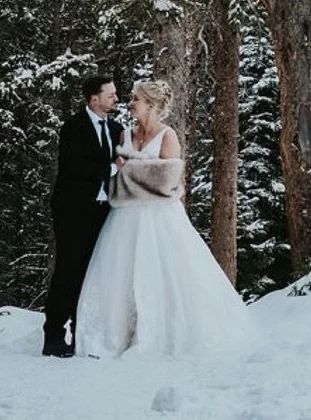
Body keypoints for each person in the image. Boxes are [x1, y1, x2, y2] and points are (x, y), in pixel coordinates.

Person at [74, 78, 251, 359]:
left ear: (151, 105)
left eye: (135, 99)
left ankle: (163, 331)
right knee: (121, 274)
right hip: (124, 217)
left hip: (159, 217)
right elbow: (117, 174)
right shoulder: (125, 135)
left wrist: (131, 175)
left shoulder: (167, 136)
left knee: (162, 272)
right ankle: (119, 334)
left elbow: (168, 182)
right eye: (130, 98)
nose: (129, 103)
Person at [43, 72, 123, 357]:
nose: (116, 98)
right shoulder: (73, 128)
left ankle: (82, 332)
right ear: (94, 98)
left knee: (94, 271)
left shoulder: (116, 129)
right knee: (69, 270)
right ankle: (53, 334)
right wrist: (111, 169)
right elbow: (74, 166)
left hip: (104, 211)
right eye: (111, 94)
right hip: (73, 211)